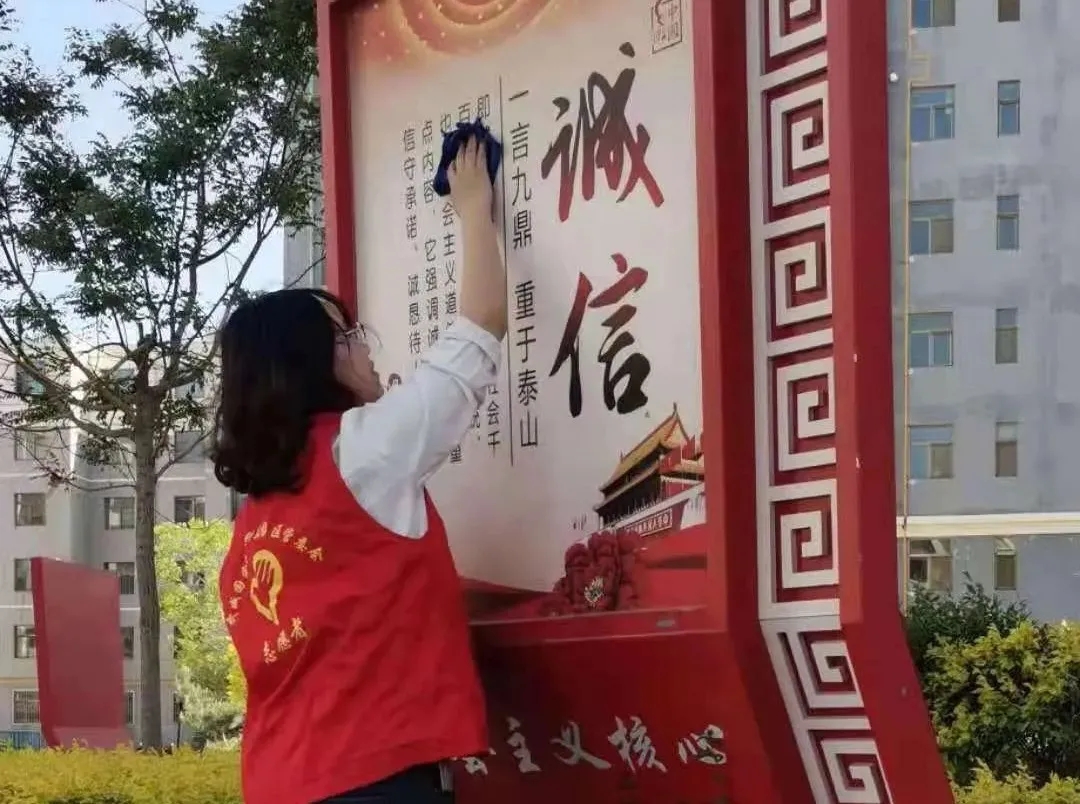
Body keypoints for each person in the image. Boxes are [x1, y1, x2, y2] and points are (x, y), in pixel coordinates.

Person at [212, 138, 506, 804]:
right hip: (374, 783)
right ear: (312, 365)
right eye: (348, 338)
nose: (367, 352)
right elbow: (480, 329)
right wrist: (472, 206)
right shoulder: (365, 449)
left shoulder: (252, 526)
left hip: (281, 783)